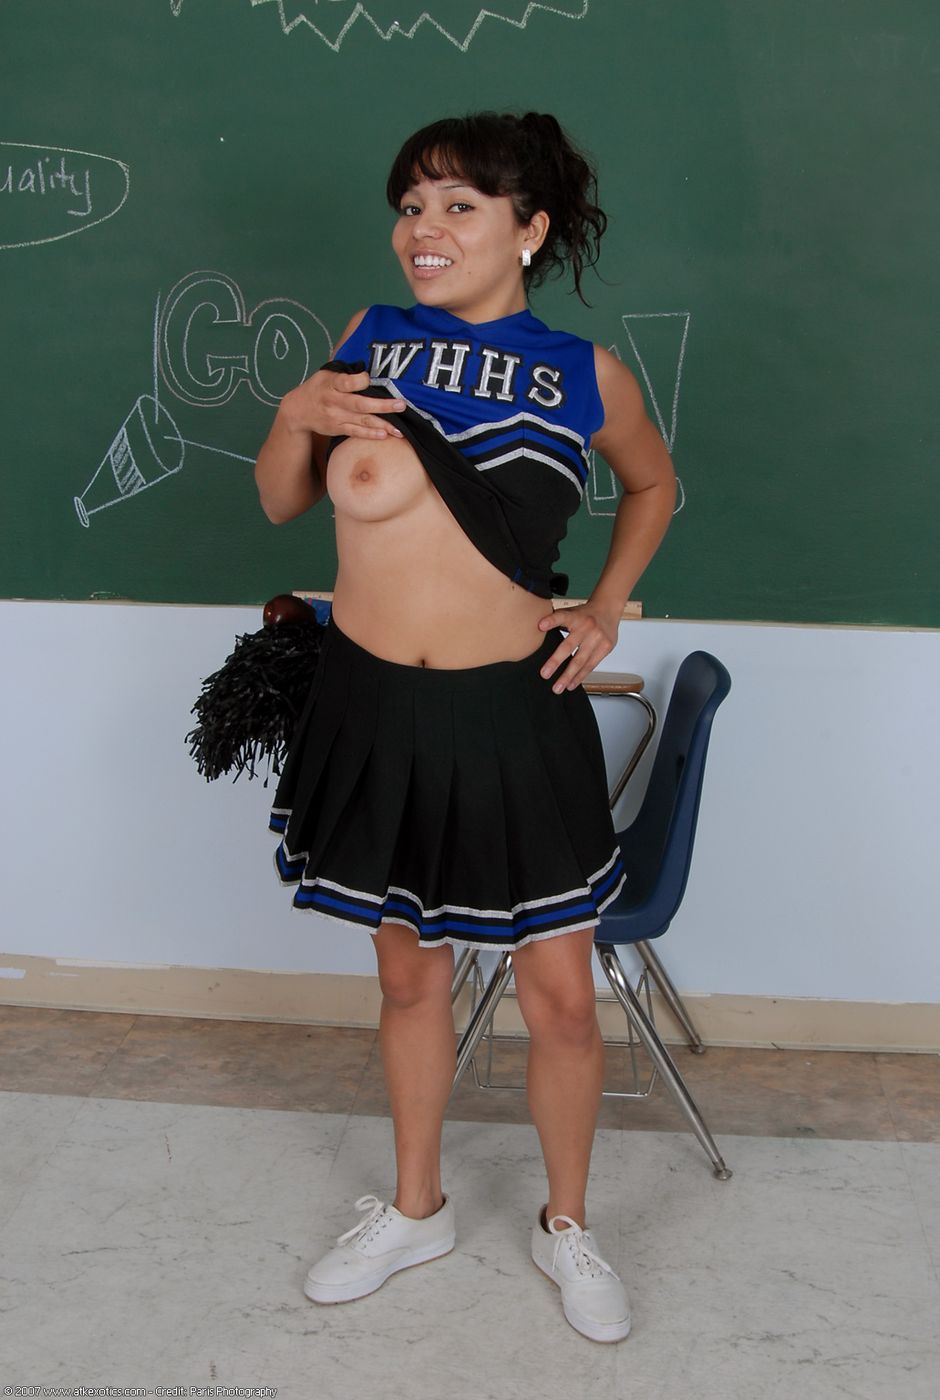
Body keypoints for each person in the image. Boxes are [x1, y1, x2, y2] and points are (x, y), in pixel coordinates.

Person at [254, 111, 676, 1344]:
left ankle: (566, 1222)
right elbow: (280, 501)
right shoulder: (367, 339)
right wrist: (294, 408)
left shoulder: (584, 372)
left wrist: (603, 606)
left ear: (527, 229)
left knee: (561, 997)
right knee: (407, 976)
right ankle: (416, 1207)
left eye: (457, 206)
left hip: (511, 710)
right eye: (411, 206)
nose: (422, 230)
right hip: (373, 704)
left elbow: (653, 482)